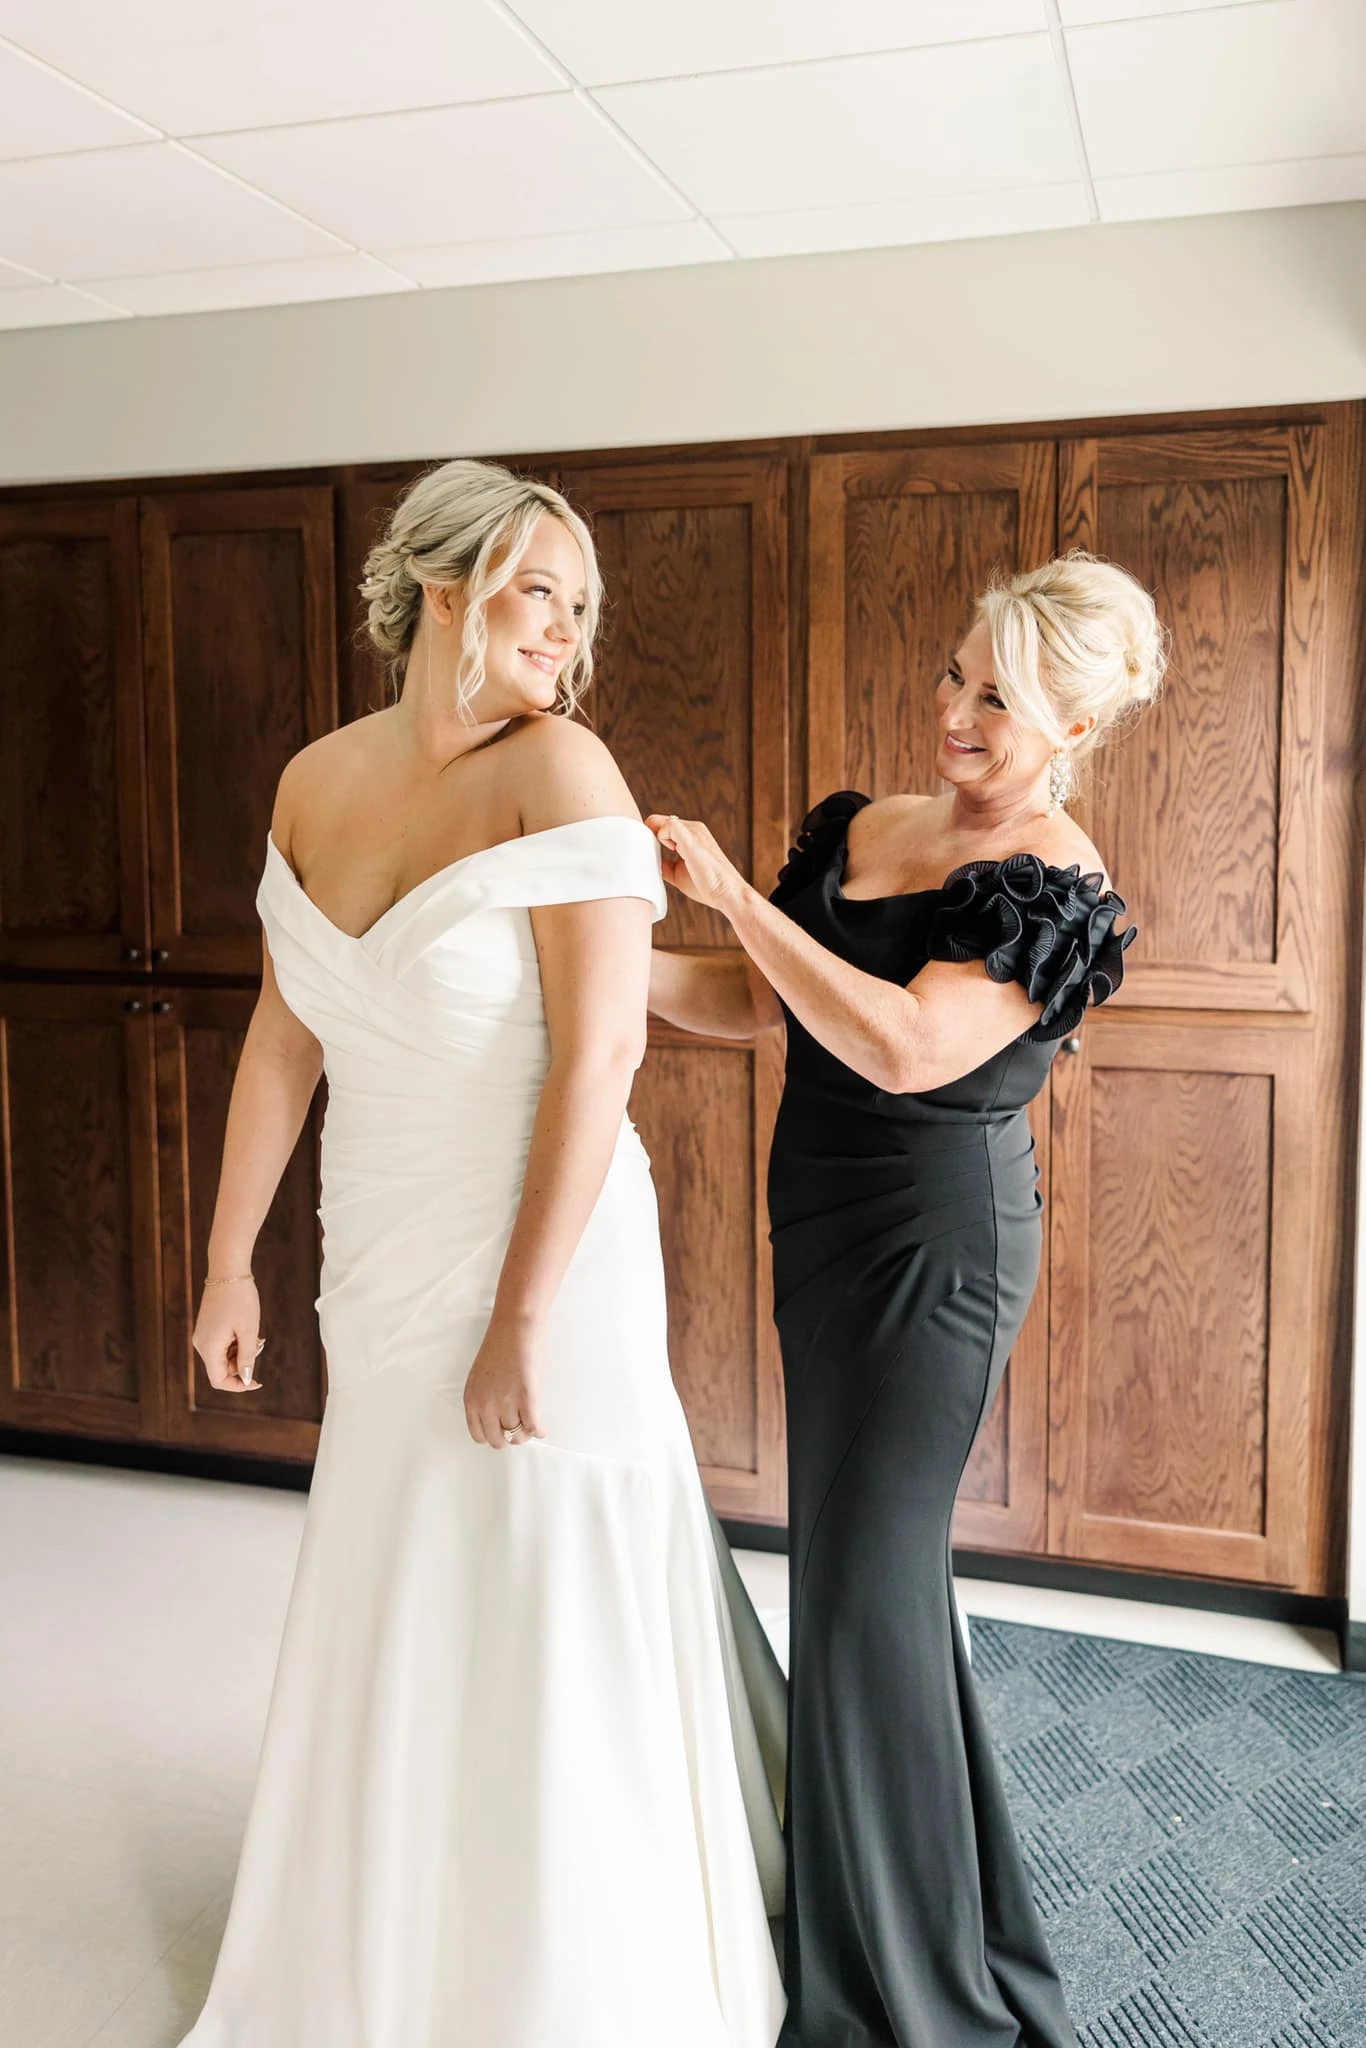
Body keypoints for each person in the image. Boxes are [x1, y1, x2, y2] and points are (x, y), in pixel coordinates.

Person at [180, 459, 785, 2048]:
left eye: (581, 611)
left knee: (539, 1574)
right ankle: (384, 1938)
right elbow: (278, 1043)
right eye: (541, 594)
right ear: (443, 587)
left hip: (551, 1246)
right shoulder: (315, 780)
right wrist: (227, 1260)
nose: (566, 637)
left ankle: (570, 1976)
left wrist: (522, 1316)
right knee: (404, 1570)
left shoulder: (561, 771)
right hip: (377, 1246)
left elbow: (600, 1057)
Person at [647, 554, 1165, 2047]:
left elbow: (897, 1047)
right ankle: (921, 1919)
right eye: (954, 673)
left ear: (1070, 725)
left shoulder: (1057, 892)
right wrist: (598, 968)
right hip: (818, 1228)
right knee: (868, 1593)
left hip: (933, 1255)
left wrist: (733, 895)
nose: (952, 710)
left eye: (996, 697)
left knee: (865, 1594)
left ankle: (906, 1997)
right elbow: (758, 1003)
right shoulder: (868, 828)